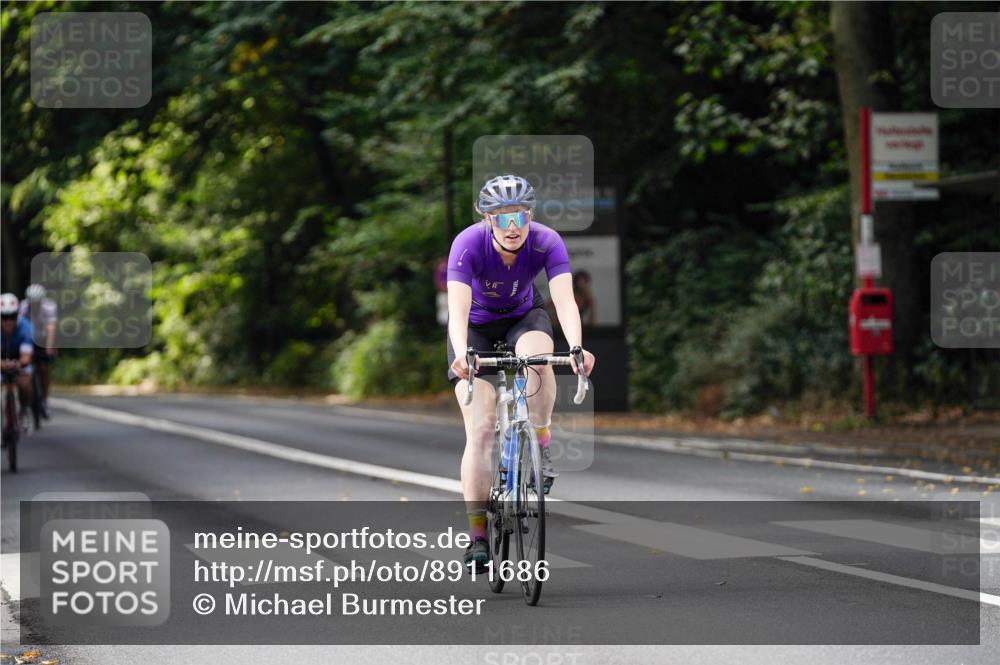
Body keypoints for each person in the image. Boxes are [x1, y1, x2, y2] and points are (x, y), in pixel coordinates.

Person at [446, 174, 595, 571]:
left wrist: (577, 347)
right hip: (475, 329)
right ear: (486, 218)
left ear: (530, 215)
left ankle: (541, 441)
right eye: (501, 218)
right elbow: (457, 314)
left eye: (519, 217)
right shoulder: (468, 244)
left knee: (540, 361)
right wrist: (462, 356)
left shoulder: (547, 241)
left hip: (523, 319)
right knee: (479, 429)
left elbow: (564, 302)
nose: (512, 228)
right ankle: (477, 536)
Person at [20, 284, 57, 418]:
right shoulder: (23, 307)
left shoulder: (49, 307)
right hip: (27, 338)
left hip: (43, 339)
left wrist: (49, 346)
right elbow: (19, 328)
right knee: (24, 370)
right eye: (32, 302)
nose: (34, 304)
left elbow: (51, 328)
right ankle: (25, 403)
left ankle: (45, 400)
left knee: (44, 368)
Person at [1, 293, 34, 422]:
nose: (8, 321)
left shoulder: (26, 328)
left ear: (17, 316)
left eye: (12, 317)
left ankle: (24, 408)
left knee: (24, 383)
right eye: (4, 317)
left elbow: (26, 357)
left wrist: (17, 365)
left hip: (20, 359)